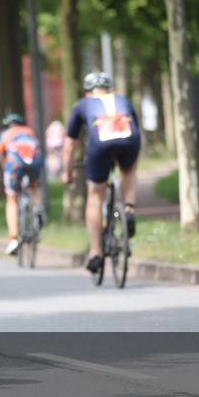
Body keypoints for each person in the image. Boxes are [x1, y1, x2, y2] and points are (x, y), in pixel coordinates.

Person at [62, 71, 141, 275]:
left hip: (100, 140)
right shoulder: (123, 100)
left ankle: (95, 252)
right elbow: (136, 128)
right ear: (111, 90)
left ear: (87, 92)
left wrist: (67, 172)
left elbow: (70, 144)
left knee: (96, 196)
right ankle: (129, 209)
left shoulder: (82, 104)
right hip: (128, 136)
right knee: (129, 169)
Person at [0, 113, 44, 255]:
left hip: (15, 164)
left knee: (12, 198)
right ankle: (37, 209)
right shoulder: (30, 132)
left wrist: (5, 172)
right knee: (34, 186)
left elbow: (2, 156)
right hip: (34, 162)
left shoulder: (5, 134)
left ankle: (13, 238)